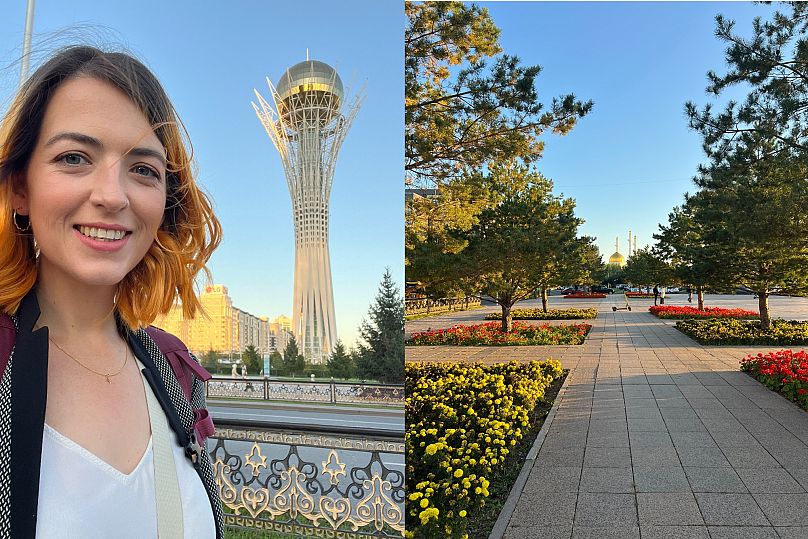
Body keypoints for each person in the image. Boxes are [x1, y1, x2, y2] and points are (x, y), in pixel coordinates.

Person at [0, 46, 223, 537]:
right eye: (74, 157)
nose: (113, 195)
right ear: (20, 186)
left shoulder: (173, 370)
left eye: (143, 169)